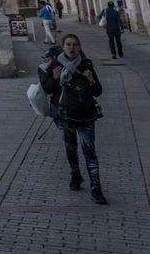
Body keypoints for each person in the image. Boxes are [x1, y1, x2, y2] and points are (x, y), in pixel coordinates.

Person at [39, 33, 106, 204]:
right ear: (63, 47)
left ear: (79, 47)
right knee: (71, 148)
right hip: (66, 116)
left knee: (90, 152)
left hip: (86, 114)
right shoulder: (55, 65)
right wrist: (55, 78)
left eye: (75, 44)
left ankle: (96, 188)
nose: (72, 47)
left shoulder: (86, 65)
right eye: (68, 44)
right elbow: (47, 90)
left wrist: (91, 81)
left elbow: (98, 91)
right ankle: (75, 173)